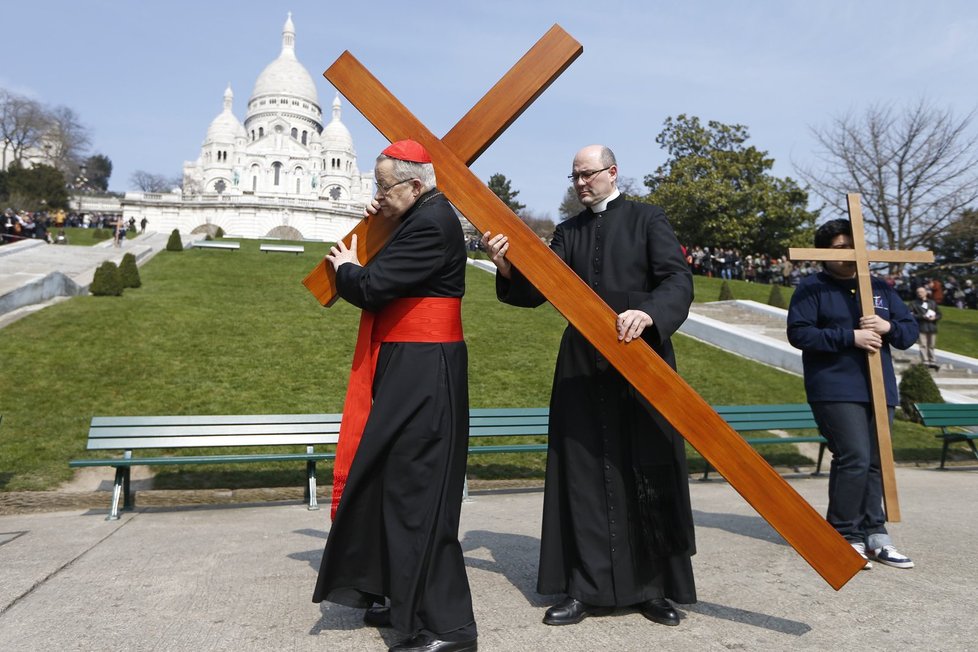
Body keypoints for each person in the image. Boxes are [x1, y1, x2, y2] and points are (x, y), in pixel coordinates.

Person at [481, 145, 696, 628]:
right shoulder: (568, 232)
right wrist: (508, 266)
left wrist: (650, 313)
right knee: (581, 476)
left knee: (648, 468)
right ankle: (583, 587)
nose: (580, 183)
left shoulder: (647, 218)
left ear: (612, 172)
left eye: (588, 174)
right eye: (574, 176)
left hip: (644, 360)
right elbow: (537, 289)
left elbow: (677, 280)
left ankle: (656, 587)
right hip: (582, 368)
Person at [312, 140, 477, 652]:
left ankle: (450, 629)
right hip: (410, 367)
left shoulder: (431, 223)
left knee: (419, 494)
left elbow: (373, 286)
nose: (377, 194)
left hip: (425, 373)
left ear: (415, 185)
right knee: (390, 481)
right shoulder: (421, 215)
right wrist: (381, 222)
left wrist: (346, 268)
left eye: (384, 187)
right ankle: (397, 594)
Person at [787, 218, 918, 570]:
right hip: (835, 387)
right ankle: (844, 535)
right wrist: (850, 337)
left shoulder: (881, 287)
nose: (850, 254)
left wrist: (887, 326)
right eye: (841, 248)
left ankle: (876, 535)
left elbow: (908, 332)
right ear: (823, 253)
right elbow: (800, 334)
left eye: (854, 246)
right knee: (855, 456)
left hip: (880, 387)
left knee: (876, 460)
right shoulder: (812, 288)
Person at [909, 286, 941, 369]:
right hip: (921, 326)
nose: (920, 293)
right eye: (918, 292)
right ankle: (925, 360)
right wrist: (922, 316)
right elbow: (910, 315)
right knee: (923, 344)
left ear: (926, 293)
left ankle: (932, 360)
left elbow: (939, 314)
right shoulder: (913, 303)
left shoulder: (932, 303)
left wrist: (935, 317)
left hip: (932, 327)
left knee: (931, 345)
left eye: (922, 292)